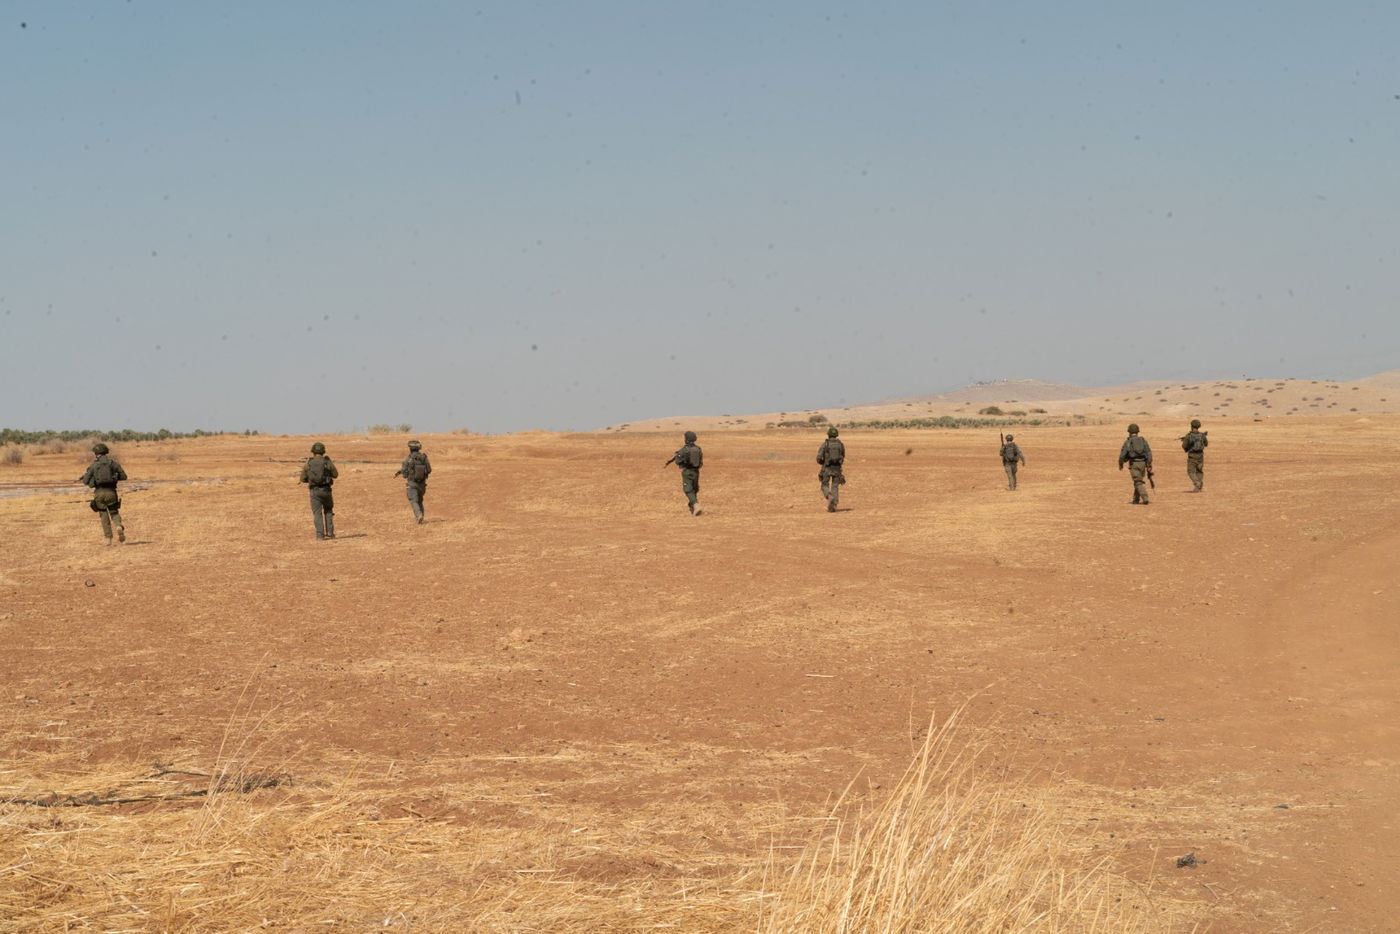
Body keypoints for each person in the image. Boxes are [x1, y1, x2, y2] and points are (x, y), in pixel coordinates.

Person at [79, 442, 127, 544]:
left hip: (99, 493)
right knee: (114, 512)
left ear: (96, 454)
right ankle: (118, 525)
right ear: (106, 452)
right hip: (111, 492)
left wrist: (90, 478)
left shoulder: (94, 465)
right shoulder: (113, 464)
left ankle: (108, 538)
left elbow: (85, 481)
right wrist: (114, 477)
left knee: (103, 514)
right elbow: (124, 477)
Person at [299, 442, 339, 539]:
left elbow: (302, 478)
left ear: (313, 451)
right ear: (323, 451)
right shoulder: (327, 462)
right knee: (328, 510)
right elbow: (335, 475)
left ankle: (319, 535)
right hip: (326, 490)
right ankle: (330, 532)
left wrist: (311, 480)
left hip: (314, 491)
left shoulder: (309, 463)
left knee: (317, 513)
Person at [664, 430, 703, 515]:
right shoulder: (698, 449)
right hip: (696, 472)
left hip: (687, 471)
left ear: (686, 439)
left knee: (688, 489)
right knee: (694, 489)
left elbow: (677, 461)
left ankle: (695, 505)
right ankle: (693, 506)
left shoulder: (684, 450)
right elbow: (701, 462)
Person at [393, 440, 432, 523]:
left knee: (414, 501)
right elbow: (429, 470)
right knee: (420, 501)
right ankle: (421, 517)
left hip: (412, 484)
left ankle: (419, 515)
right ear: (419, 448)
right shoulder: (424, 458)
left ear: (410, 448)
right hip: (422, 485)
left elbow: (404, 474)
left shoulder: (408, 459)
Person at [1117, 423, 1153, 505]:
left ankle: (1145, 497)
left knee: (1138, 482)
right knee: (1138, 481)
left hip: (1134, 464)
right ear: (1137, 432)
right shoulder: (1143, 441)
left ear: (1129, 432)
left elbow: (1122, 455)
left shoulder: (1128, 442)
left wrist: (1120, 464)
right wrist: (1149, 464)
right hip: (1143, 464)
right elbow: (1149, 453)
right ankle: (1136, 499)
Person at [816, 427, 845, 512]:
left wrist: (823, 463)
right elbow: (843, 456)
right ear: (837, 435)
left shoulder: (825, 444)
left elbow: (818, 458)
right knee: (835, 486)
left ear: (828, 435)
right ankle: (834, 505)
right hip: (837, 469)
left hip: (827, 468)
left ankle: (829, 496)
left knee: (824, 485)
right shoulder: (840, 444)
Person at [1180, 419, 1208, 492]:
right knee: (1199, 471)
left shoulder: (1188, 436)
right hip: (1200, 456)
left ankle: (1197, 483)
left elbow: (1184, 446)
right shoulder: (1202, 435)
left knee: (1190, 471)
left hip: (1192, 456)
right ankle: (1199, 486)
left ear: (1191, 426)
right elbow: (1206, 444)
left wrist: (1187, 445)